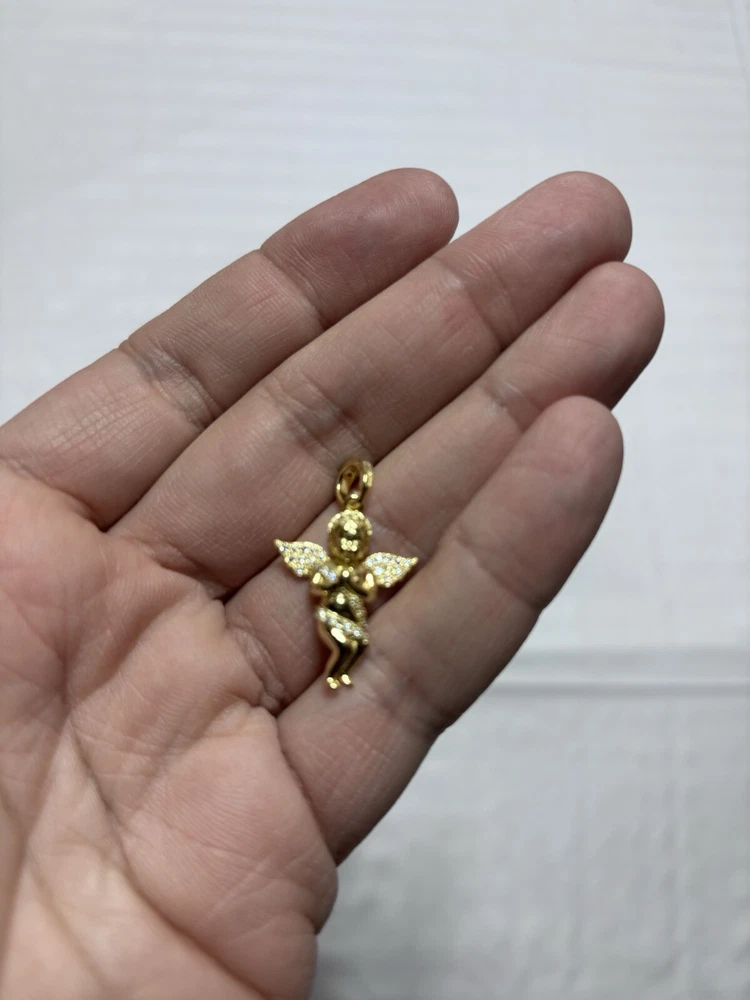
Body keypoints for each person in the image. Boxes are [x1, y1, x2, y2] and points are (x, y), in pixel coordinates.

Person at [0, 168, 663, 999]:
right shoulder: (334, 543)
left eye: (350, 518)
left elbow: (358, 558)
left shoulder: (354, 545)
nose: (348, 521)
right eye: (346, 519)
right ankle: (344, 660)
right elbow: (315, 553)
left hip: (345, 591)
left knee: (348, 634)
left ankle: (344, 661)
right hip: (335, 592)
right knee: (345, 634)